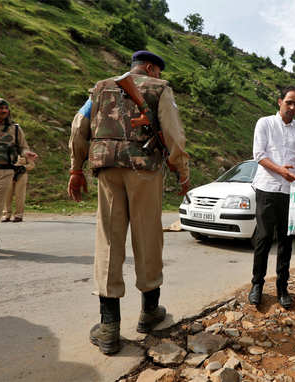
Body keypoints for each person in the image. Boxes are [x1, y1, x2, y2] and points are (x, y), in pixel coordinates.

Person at [68, 50, 190, 355]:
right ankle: (149, 313)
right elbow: (174, 136)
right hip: (144, 170)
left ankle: (109, 327)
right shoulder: (160, 89)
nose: (158, 77)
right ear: (150, 68)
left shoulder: (100, 87)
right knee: (147, 237)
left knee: (109, 241)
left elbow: (78, 127)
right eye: (157, 71)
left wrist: (75, 168)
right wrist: (182, 174)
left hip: (107, 168)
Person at [248, 86, 295, 310]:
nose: (293, 107)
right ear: (279, 102)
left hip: (292, 191)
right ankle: (257, 285)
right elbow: (259, 155)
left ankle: (282, 288)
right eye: (289, 103)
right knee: (264, 237)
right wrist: (280, 171)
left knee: (286, 241)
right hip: (267, 187)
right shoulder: (264, 123)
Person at [0, 98, 37, 251]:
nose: (4, 111)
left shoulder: (15, 129)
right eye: (0, 108)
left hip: (5, 171)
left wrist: (27, 153)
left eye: (6, 108)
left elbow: (23, 147)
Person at [2, 154, 36, 222]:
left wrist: (23, 167)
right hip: (9, 175)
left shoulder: (24, 153)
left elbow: (32, 165)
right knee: (7, 196)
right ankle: (7, 215)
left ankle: (18, 216)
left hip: (21, 175)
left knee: (19, 196)